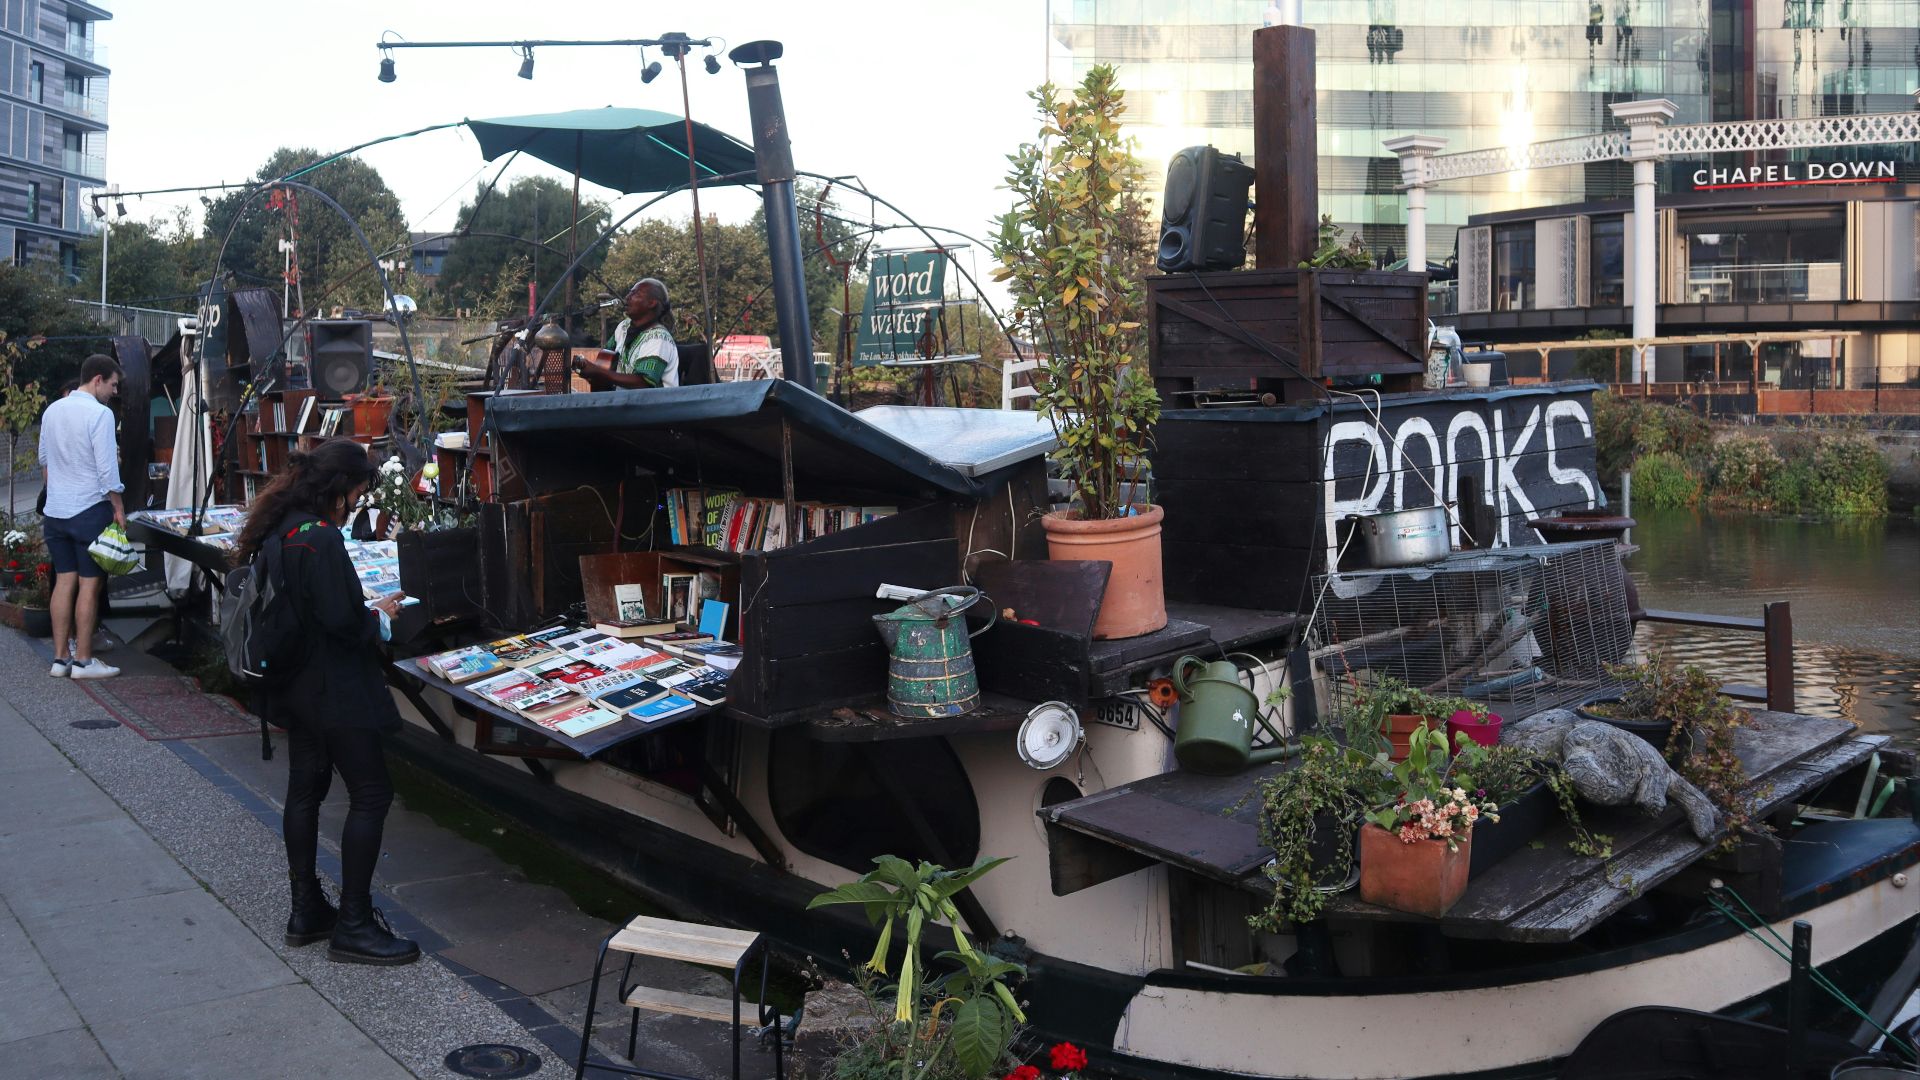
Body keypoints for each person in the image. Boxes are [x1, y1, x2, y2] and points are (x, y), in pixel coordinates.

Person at [233, 439, 419, 966]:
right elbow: (339, 621)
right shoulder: (319, 539)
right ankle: (355, 924)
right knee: (371, 793)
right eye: (357, 496)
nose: (356, 505)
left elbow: (309, 608)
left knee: (306, 789)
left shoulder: (283, 527)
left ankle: (306, 909)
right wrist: (378, 614)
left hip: (296, 684)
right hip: (333, 686)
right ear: (340, 490)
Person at [40, 354, 123, 680]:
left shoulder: (52, 411)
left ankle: (60, 659)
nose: (115, 391)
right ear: (98, 379)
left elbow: (44, 460)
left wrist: (59, 491)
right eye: (113, 385)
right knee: (89, 587)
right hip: (89, 511)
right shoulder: (100, 415)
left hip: (56, 513)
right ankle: (84, 661)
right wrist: (117, 507)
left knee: (64, 581)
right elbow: (107, 471)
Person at [576, 278, 679, 390]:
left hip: (655, 406)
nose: (627, 297)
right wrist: (590, 372)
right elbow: (605, 362)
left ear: (651, 303)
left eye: (636, 294)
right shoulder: (623, 327)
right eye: (630, 292)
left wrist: (597, 371)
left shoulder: (659, 338)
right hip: (624, 403)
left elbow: (643, 383)